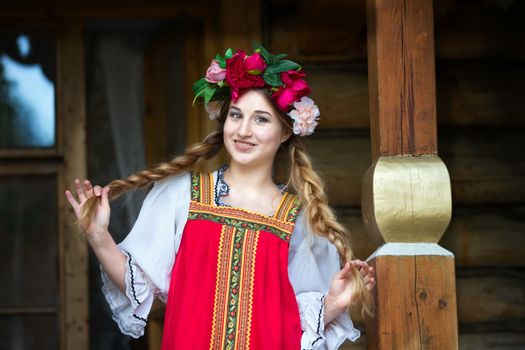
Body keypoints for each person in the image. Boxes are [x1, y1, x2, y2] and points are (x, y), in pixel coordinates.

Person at [65, 43, 375, 350]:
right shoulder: (182, 196)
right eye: (236, 115)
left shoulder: (299, 222)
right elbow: (141, 286)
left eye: (261, 119)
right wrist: (98, 235)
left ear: (284, 132)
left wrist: (333, 304)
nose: (244, 130)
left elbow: (296, 330)